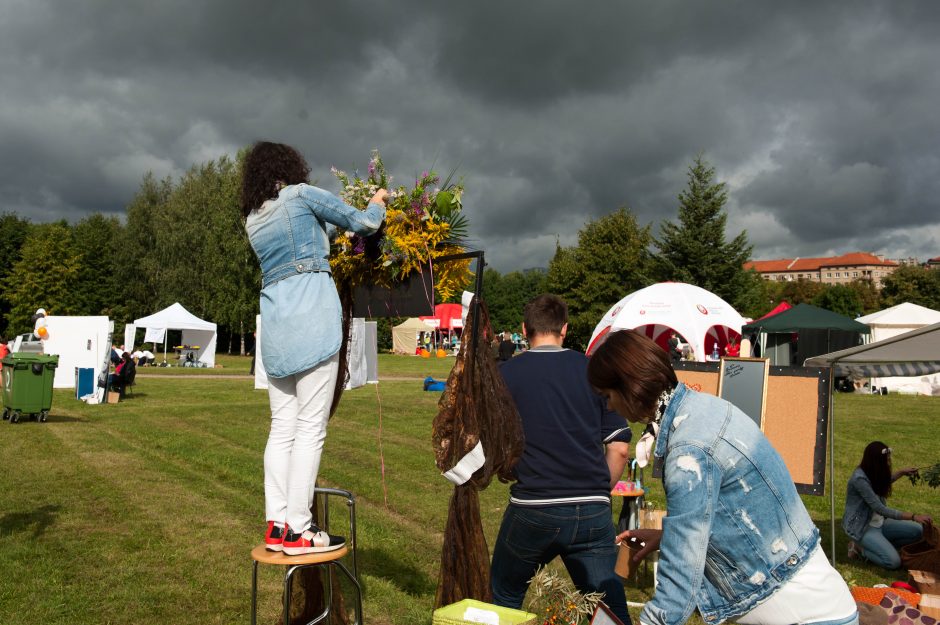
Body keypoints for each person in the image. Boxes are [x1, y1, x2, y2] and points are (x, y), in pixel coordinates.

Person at [588, 329, 857, 625]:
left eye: (608, 396)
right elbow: (733, 510)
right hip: (816, 603)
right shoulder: (704, 408)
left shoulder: (689, 451)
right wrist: (669, 537)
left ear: (630, 387)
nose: (610, 407)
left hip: (805, 615)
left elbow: (680, 579)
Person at [241, 141, 386, 556]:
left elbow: (305, 239)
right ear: (289, 167)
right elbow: (361, 223)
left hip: (276, 327)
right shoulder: (301, 195)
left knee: (281, 426)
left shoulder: (252, 219)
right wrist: (376, 202)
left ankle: (277, 524)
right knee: (309, 429)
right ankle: (301, 530)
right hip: (312, 320)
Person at [490, 294, 633, 624]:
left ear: (524, 329)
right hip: (592, 510)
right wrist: (600, 490)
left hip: (533, 507)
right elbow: (620, 447)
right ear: (564, 329)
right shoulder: (593, 371)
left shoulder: (505, 374)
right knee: (608, 609)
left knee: (505, 594)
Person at [843, 441, 932, 569]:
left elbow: (881, 483)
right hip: (863, 527)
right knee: (893, 562)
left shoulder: (872, 470)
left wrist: (901, 472)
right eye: (886, 459)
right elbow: (880, 508)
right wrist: (914, 516)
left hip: (881, 523)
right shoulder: (859, 479)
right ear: (875, 461)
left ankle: (881, 545)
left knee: (918, 532)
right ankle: (859, 548)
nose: (888, 462)